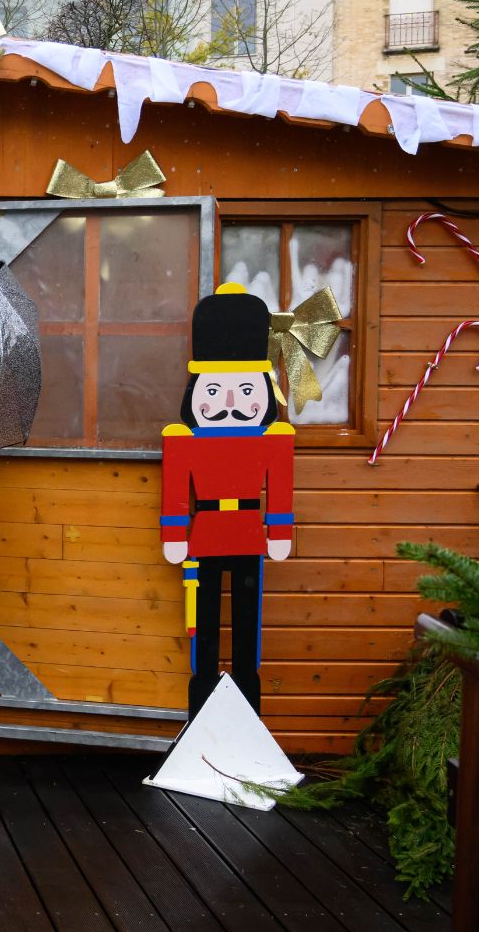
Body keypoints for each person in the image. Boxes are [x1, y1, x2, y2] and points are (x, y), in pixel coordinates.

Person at [159, 282, 295, 719]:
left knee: (247, 623)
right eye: (215, 392)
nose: (231, 403)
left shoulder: (274, 439)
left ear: (263, 390)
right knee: (206, 624)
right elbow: (177, 490)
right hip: (205, 535)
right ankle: (201, 700)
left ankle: (247, 701)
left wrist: (280, 530)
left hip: (250, 533)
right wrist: (175, 534)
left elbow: (280, 484)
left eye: (245, 391)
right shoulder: (183, 440)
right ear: (196, 391)